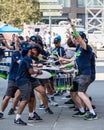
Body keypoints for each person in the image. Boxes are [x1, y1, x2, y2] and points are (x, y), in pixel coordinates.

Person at [60, 24, 98, 121]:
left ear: (83, 39)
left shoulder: (86, 47)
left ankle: (92, 113)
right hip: (79, 74)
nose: (75, 40)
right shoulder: (78, 49)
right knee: (73, 93)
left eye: (77, 38)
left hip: (86, 74)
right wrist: (64, 64)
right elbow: (74, 61)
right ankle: (82, 111)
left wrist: (73, 28)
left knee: (81, 93)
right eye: (74, 38)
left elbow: (79, 39)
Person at [14, 44, 53, 125]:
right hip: (23, 81)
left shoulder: (27, 58)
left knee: (31, 98)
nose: (33, 51)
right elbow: (31, 71)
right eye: (32, 50)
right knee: (25, 100)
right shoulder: (27, 59)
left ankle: (31, 115)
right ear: (29, 51)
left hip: (27, 80)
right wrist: (38, 71)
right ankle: (17, 118)